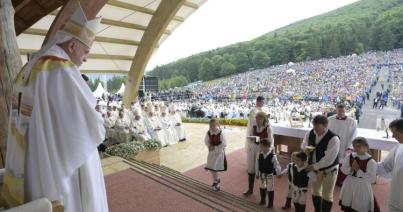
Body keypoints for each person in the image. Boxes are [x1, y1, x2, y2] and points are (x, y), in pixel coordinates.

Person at [2, 5, 108, 212]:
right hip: (59, 164)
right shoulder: (60, 68)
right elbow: (87, 124)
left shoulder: (32, 65)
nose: (85, 58)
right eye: (85, 51)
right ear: (71, 47)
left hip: (32, 157)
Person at [302, 115, 340, 212]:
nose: (315, 129)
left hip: (329, 169)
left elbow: (328, 159)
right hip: (314, 168)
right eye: (314, 126)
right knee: (315, 192)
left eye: (317, 127)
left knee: (327, 195)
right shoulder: (310, 133)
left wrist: (314, 166)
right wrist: (306, 150)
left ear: (325, 126)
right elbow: (304, 145)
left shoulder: (333, 138)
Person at [339, 137, 379, 212]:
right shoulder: (350, 156)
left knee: (359, 207)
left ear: (366, 147)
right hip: (350, 184)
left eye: (359, 146)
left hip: (362, 186)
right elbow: (343, 169)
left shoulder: (371, 162)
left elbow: (372, 179)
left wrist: (358, 170)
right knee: (348, 206)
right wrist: (351, 169)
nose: (356, 148)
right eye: (354, 146)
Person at [244, 111, 274, 196]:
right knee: (251, 170)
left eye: (260, 118)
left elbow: (270, 142)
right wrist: (251, 141)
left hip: (263, 152)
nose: (258, 120)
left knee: (263, 172)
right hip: (253, 150)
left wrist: (266, 151)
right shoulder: (254, 127)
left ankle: (266, 192)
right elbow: (249, 137)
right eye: (257, 118)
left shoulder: (268, 128)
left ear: (264, 119)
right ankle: (250, 189)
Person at [377, 119, 403, 211]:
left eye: (395, 133)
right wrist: (366, 163)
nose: (393, 136)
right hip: (396, 195)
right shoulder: (398, 146)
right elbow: (386, 166)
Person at [328, 104, 357, 186]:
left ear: (345, 111)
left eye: (343, 111)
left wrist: (350, 147)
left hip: (344, 145)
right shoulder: (330, 119)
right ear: (336, 110)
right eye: (339, 111)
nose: (341, 113)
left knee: (343, 162)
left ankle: (340, 180)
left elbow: (353, 135)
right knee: (332, 160)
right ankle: (331, 178)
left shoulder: (351, 122)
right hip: (333, 145)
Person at [255, 139, 281, 209]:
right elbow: (257, 164)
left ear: (267, 146)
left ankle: (270, 203)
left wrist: (279, 173)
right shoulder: (259, 154)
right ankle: (263, 200)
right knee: (262, 186)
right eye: (260, 146)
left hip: (269, 175)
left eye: (261, 146)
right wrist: (257, 173)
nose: (260, 148)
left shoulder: (273, 156)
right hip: (261, 174)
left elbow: (277, 165)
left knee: (270, 188)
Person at [204, 119, 227, 191]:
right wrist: (209, 145)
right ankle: (216, 179)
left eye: (214, 125)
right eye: (211, 126)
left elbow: (224, 143)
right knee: (210, 167)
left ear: (217, 125)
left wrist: (215, 148)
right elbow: (206, 140)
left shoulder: (220, 132)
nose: (212, 127)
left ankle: (216, 182)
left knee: (214, 167)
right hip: (211, 152)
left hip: (218, 153)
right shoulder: (209, 132)